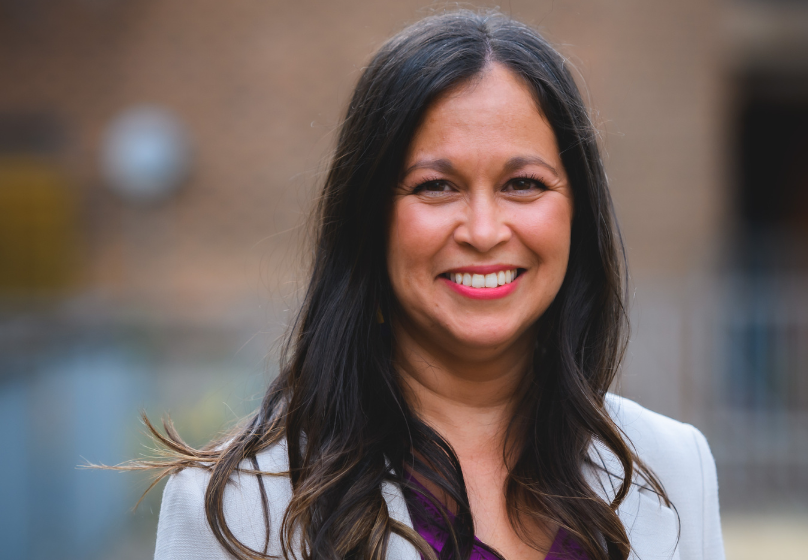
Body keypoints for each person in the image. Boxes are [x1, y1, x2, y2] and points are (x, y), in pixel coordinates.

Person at [143, 10, 724, 560]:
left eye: (522, 183)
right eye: (435, 187)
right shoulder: (240, 508)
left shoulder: (674, 469)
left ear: (579, 210)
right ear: (369, 219)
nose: (483, 230)